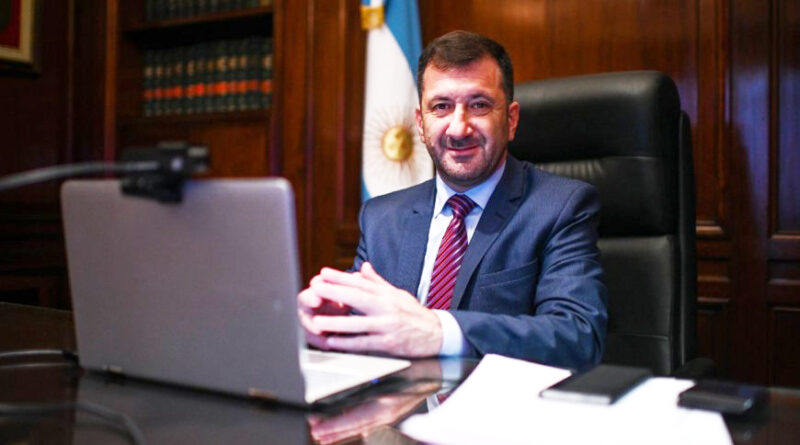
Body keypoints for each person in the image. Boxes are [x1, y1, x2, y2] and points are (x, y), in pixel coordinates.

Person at [297, 30, 607, 370]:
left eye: (479, 105)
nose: (459, 128)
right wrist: (332, 320)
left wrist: (439, 331)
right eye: (441, 107)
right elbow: (365, 322)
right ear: (421, 123)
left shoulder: (561, 207)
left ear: (511, 119)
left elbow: (577, 336)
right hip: (397, 399)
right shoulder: (381, 217)